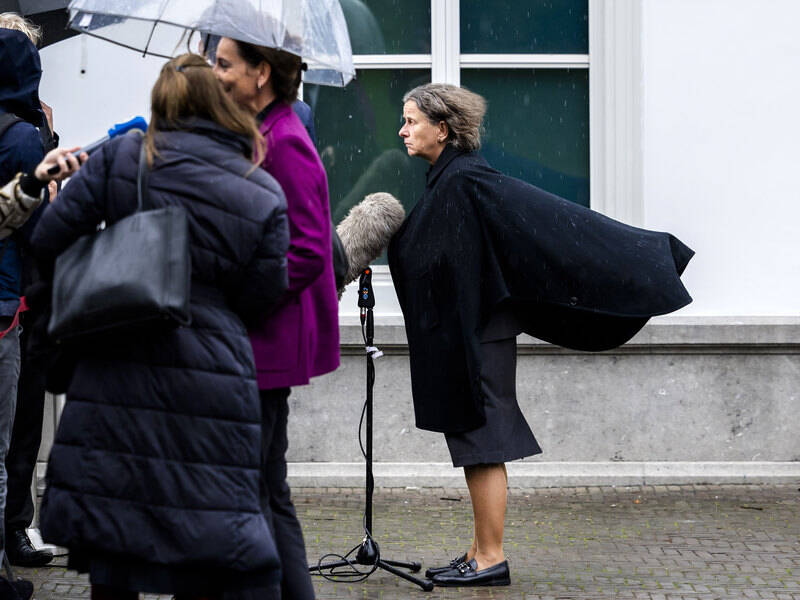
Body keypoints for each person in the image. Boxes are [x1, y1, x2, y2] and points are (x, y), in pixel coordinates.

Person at [389, 83, 693, 587]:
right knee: (473, 440)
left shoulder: (465, 180)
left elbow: (544, 223)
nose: (402, 130)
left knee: (483, 439)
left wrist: (636, 256)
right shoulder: (449, 179)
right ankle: (478, 550)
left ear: (442, 129)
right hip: (473, 330)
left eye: (411, 121)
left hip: (479, 334)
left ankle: (490, 558)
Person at [32, 53, 290, 600]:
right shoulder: (259, 188)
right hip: (214, 381)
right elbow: (265, 294)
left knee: (116, 551)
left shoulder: (124, 157)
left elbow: (49, 238)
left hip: (115, 363)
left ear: (161, 102)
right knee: (200, 544)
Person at [213, 37, 339, 599]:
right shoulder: (266, 131)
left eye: (224, 64)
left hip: (269, 339)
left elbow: (310, 249)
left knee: (259, 491)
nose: (215, 74)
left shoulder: (285, 140)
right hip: (264, 337)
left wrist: (245, 298)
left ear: (261, 72)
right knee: (268, 487)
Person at [0, 12, 60, 570]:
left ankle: (16, 523)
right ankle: (14, 527)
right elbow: (41, 219)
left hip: (24, 296)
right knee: (17, 425)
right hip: (21, 297)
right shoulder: (20, 134)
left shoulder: (27, 126)